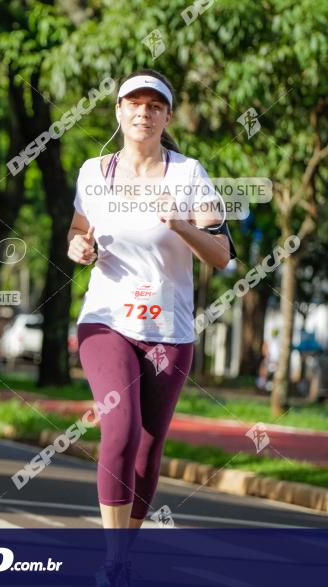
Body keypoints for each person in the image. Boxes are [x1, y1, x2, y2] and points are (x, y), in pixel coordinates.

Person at [66, 69, 234, 584]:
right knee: (118, 427)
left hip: (169, 329)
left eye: (154, 105)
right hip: (106, 319)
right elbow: (79, 231)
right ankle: (113, 561)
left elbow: (223, 256)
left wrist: (181, 224)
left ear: (166, 116)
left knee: (148, 443)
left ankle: (125, 550)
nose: (143, 112)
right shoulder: (95, 172)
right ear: (117, 111)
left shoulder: (189, 175)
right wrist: (79, 248)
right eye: (133, 103)